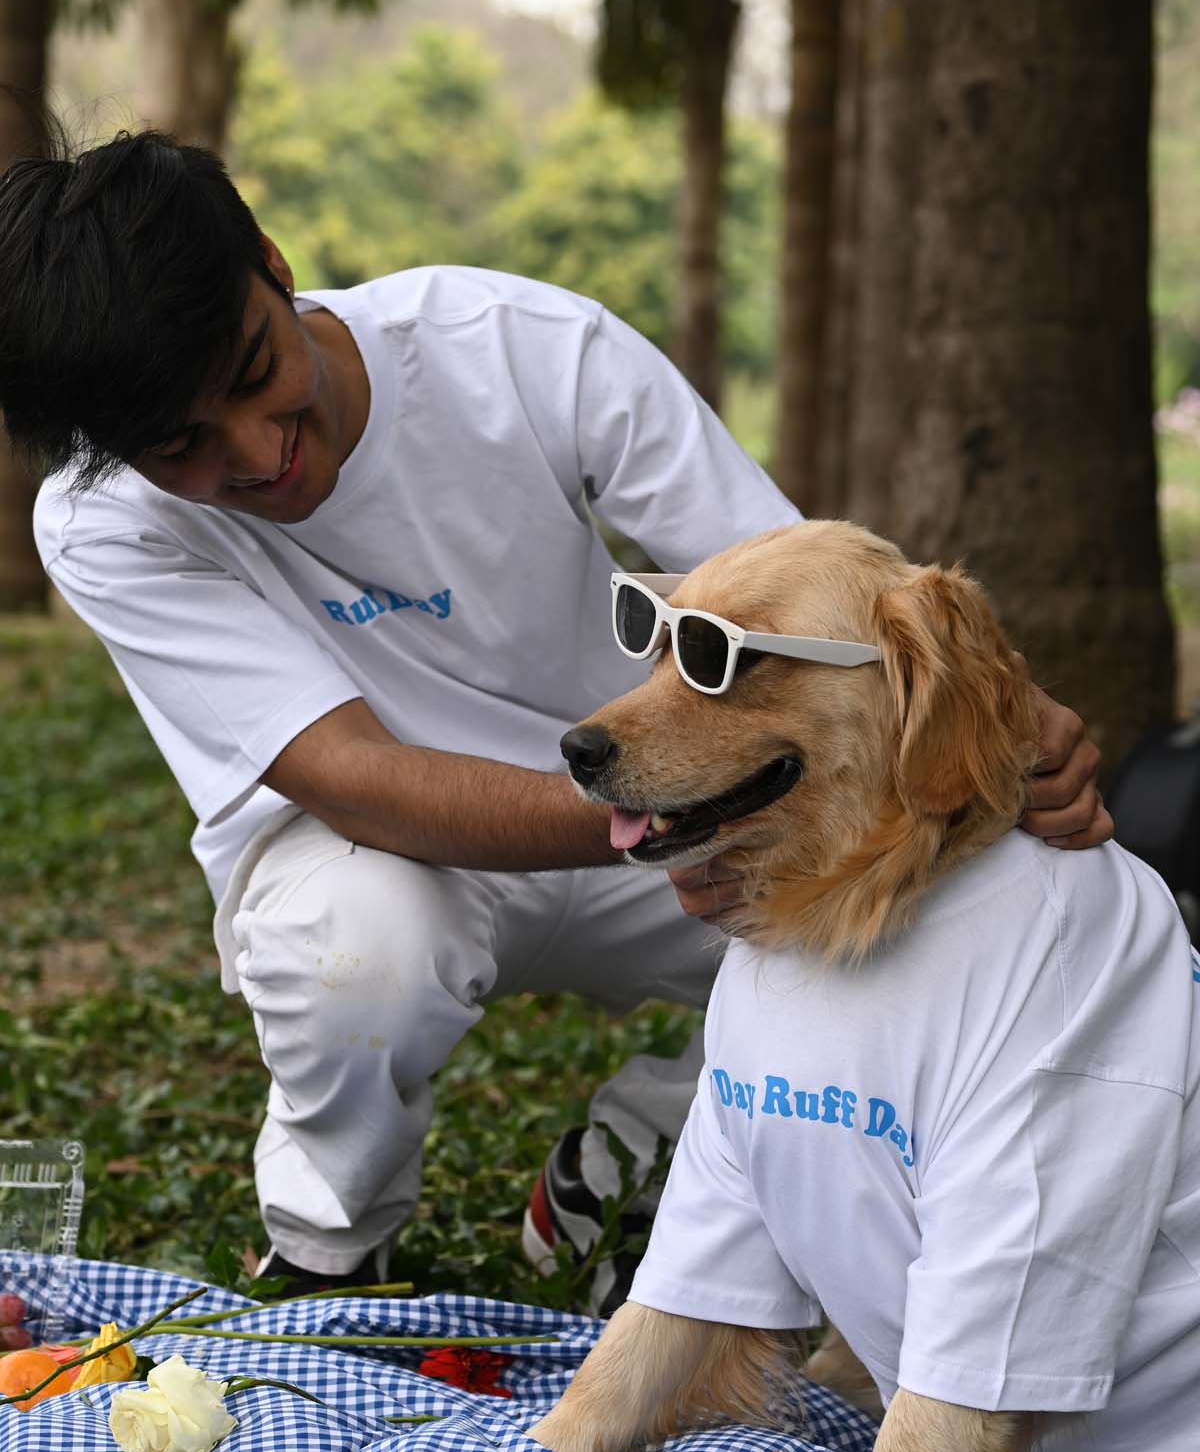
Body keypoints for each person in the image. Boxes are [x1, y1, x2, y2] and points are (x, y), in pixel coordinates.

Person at [0, 131, 1109, 1304]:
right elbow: (351, 778)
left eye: (252, 374)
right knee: (357, 953)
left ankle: (647, 1143)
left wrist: (1003, 719)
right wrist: (665, 818)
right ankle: (328, 1248)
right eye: (182, 447)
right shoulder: (103, 523)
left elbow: (793, 588)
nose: (262, 453)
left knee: (971, 902)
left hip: (657, 789)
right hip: (396, 849)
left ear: (272, 266)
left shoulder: (519, 350)